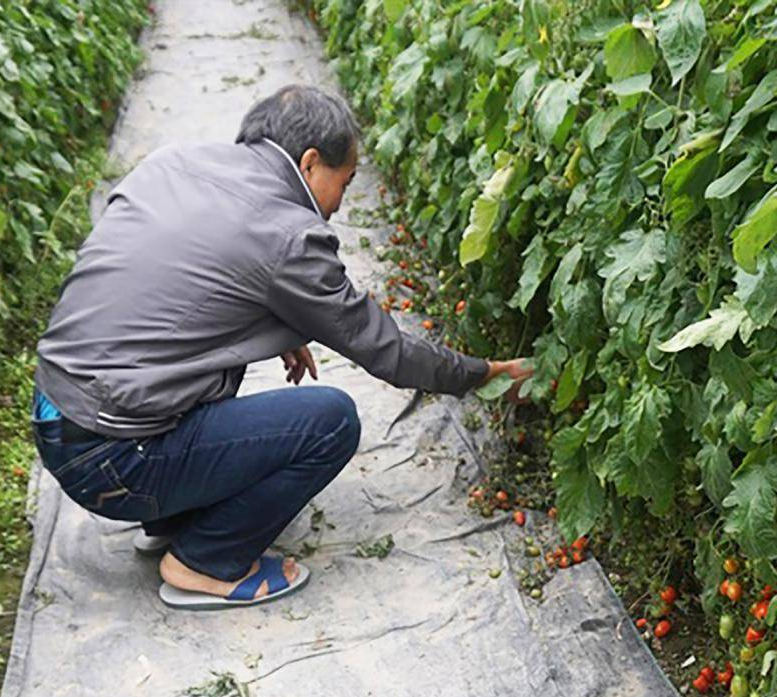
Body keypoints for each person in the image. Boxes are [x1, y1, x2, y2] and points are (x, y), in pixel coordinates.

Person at [31, 84, 532, 609]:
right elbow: (387, 351)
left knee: (214, 362)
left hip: (60, 419)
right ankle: (205, 560)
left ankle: (171, 517)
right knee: (330, 420)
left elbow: (161, 280)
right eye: (347, 181)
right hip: (113, 457)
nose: (341, 202)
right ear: (311, 163)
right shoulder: (288, 235)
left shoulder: (173, 161)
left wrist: (275, 322)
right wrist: (485, 373)